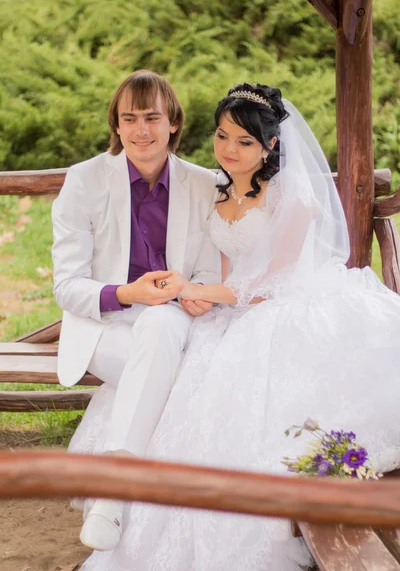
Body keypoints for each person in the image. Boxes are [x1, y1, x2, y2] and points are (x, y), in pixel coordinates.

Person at [75, 83, 400, 571]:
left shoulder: (292, 196)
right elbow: (228, 275)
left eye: (244, 142)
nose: (229, 149)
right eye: (223, 136)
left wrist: (195, 291)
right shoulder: (220, 187)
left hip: (287, 307)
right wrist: (203, 295)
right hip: (235, 310)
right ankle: (121, 498)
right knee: (184, 382)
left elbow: (269, 285)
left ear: (270, 145)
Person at [51, 70, 221, 551]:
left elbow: (208, 274)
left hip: (172, 320)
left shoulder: (203, 184)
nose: (141, 130)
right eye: (130, 119)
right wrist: (129, 293)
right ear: (117, 126)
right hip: (103, 326)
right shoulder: (84, 181)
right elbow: (68, 286)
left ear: (173, 124)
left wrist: (190, 292)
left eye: (152, 118)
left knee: (162, 327)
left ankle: (113, 496)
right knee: (181, 379)